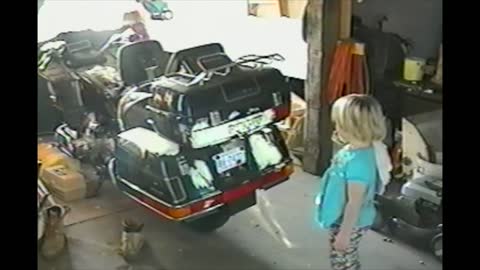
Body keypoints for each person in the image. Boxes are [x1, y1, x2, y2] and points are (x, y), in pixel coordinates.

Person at [315, 94, 392, 270]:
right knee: (341, 258)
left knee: (343, 262)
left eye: (339, 124)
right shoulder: (355, 149)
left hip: (349, 222)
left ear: (352, 127)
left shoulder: (360, 164)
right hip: (341, 217)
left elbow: (354, 203)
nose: (336, 128)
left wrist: (345, 234)